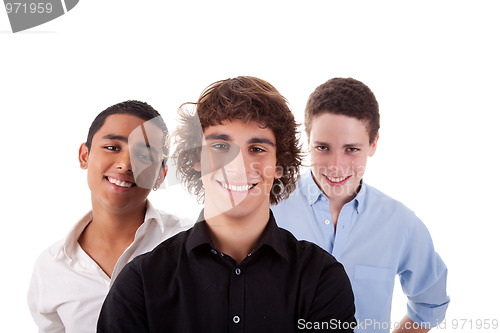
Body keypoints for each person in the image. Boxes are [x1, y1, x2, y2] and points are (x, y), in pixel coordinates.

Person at [97, 76, 357, 332]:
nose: (238, 166)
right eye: (221, 146)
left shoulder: (322, 277)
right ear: (195, 159)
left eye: (257, 148)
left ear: (279, 164)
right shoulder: (140, 283)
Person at [272, 78, 450, 333]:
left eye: (351, 149)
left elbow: (430, 304)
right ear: (308, 140)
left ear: (373, 144)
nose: (336, 165)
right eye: (323, 147)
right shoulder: (270, 208)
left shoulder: (400, 223)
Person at [28, 100, 191, 333]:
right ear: (84, 155)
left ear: (161, 175)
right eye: (113, 147)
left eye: (144, 156)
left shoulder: (190, 243)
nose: (125, 165)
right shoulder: (50, 267)